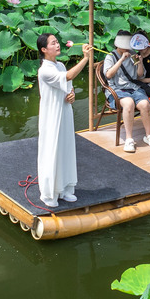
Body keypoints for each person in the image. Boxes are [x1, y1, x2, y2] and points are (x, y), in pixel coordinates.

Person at [36, 34, 92, 208]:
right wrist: (86, 59)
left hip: (65, 112)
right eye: (53, 43)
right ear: (44, 49)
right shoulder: (44, 69)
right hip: (52, 115)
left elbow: (68, 85)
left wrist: (72, 95)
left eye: (57, 42)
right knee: (52, 151)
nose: (57, 45)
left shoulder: (59, 65)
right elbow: (67, 77)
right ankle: (49, 193)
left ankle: (66, 188)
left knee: (66, 149)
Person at [103, 31, 150, 153]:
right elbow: (108, 75)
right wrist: (121, 59)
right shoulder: (110, 57)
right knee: (129, 104)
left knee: (145, 104)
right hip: (117, 89)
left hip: (133, 87)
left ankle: (148, 135)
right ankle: (129, 139)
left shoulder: (133, 54)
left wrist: (140, 62)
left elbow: (139, 75)